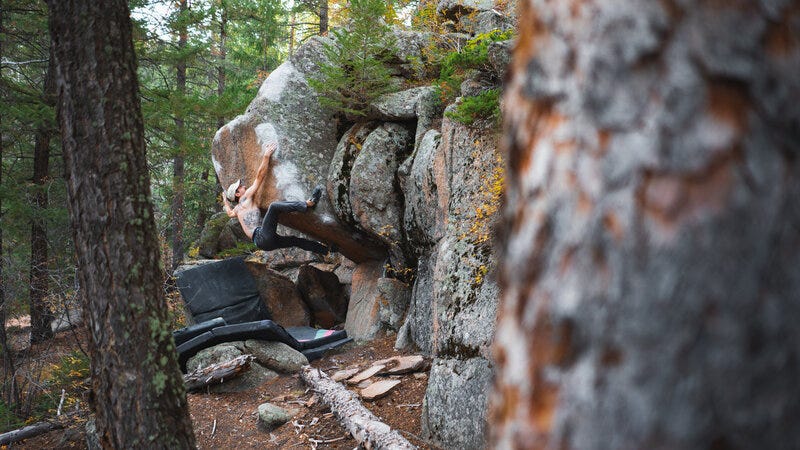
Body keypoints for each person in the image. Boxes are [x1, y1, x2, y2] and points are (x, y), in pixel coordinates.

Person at [222, 142, 330, 254]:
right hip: (262, 236)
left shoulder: (237, 210)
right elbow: (259, 177)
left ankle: (326, 250)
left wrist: (225, 200)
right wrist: (266, 156)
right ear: (238, 194)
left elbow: (229, 213)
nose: (243, 186)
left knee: (295, 241)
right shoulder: (245, 197)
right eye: (240, 187)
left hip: (262, 243)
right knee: (274, 207)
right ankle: (308, 204)